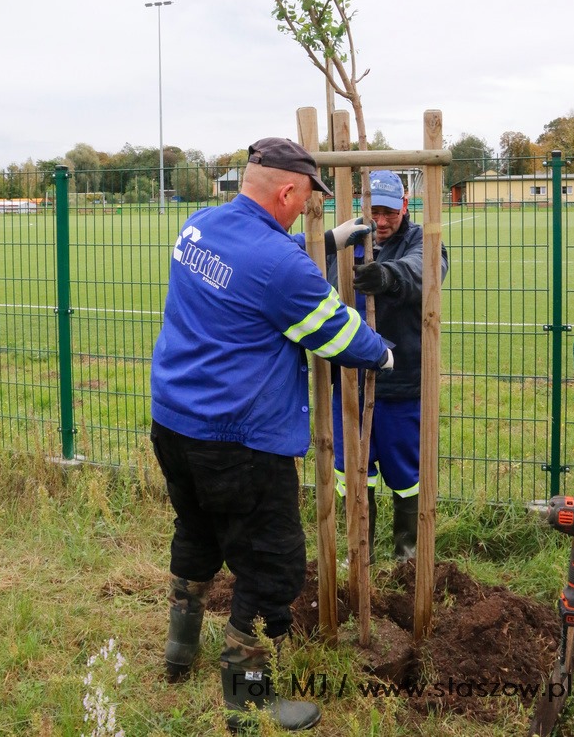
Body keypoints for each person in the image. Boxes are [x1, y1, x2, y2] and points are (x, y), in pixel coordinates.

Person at [150, 137, 394, 732]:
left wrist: (328, 242)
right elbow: (337, 336)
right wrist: (382, 353)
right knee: (271, 565)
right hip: (238, 440)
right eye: (308, 198)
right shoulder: (279, 265)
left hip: (173, 422)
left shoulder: (200, 226)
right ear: (287, 190)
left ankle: (179, 653)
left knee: (198, 531)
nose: (308, 207)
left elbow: (256, 260)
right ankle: (249, 701)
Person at [330, 170, 448, 561]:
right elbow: (323, 282)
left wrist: (388, 275)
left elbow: (425, 269)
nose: (380, 222)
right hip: (349, 381)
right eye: (373, 212)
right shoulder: (350, 240)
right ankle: (357, 553)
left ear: (405, 205)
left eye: (388, 212)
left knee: (405, 474)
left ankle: (407, 555)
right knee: (351, 472)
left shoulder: (421, 240)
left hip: (401, 382)